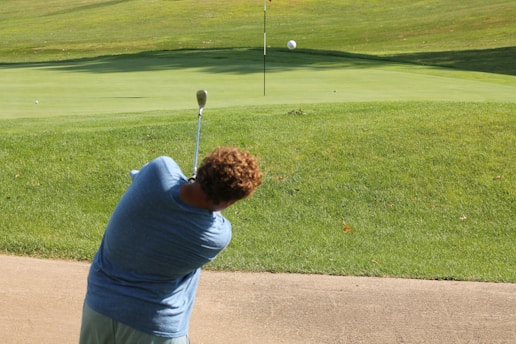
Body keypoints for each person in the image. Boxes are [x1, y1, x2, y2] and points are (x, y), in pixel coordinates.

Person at [80, 146, 262, 344]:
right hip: (154, 327)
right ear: (230, 201)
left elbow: (155, 180)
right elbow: (212, 212)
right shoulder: (216, 236)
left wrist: (191, 182)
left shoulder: (159, 171)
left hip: (99, 307)